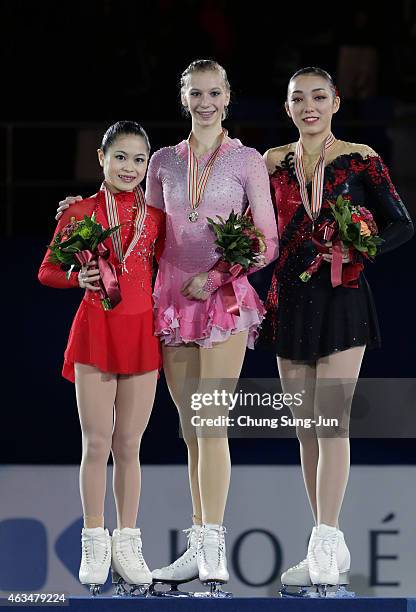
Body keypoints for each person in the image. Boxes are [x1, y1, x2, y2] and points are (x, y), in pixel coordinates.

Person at [259, 67, 413, 593]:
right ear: (287, 108)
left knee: (332, 422)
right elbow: (246, 222)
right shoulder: (272, 163)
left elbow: (401, 223)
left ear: (336, 102)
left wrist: (360, 248)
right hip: (288, 300)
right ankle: (328, 538)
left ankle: (324, 539)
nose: (309, 107)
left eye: (318, 97)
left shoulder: (360, 158)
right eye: (298, 98)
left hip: (342, 297)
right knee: (306, 430)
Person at [145, 58, 278, 593]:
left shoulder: (246, 160)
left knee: (212, 420)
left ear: (228, 97)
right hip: (172, 297)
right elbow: (147, 230)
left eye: (214, 92)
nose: (205, 101)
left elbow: (267, 240)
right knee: (189, 427)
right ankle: (196, 546)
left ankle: (214, 543)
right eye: (195, 93)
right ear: (184, 98)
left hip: (222, 299)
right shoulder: (162, 161)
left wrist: (222, 273)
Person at [39, 121, 165, 595]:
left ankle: (127, 543)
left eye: (139, 160)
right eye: (121, 158)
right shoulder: (82, 212)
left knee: (129, 445)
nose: (129, 168)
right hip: (95, 333)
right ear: (101, 158)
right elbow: (47, 270)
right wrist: (78, 278)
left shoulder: (157, 215)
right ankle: (94, 539)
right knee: (97, 443)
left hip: (141, 335)